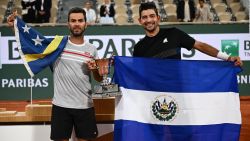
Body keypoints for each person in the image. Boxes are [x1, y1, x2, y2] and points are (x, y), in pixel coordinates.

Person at [7, 7, 103, 141]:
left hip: (85, 106)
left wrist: (94, 70)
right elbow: (32, 43)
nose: (76, 24)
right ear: (68, 24)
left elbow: (99, 78)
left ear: (86, 24)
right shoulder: (57, 44)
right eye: (73, 21)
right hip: (61, 106)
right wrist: (15, 27)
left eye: (80, 21)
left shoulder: (92, 49)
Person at [133, 2, 242, 67]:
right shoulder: (139, 48)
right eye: (145, 17)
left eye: (152, 16)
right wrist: (118, 63)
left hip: (177, 90)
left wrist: (227, 58)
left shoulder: (174, 33)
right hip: (152, 93)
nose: (149, 20)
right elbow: (135, 72)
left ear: (158, 18)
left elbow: (200, 46)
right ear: (140, 21)